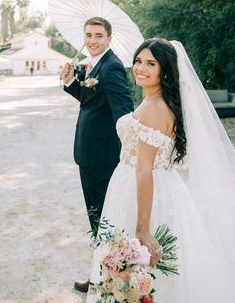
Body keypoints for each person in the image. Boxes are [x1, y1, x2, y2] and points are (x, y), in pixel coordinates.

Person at [86, 39, 235, 303]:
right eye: (138, 61)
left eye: (150, 63)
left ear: (164, 70)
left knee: (146, 270)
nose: (140, 68)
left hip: (145, 193)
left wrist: (143, 229)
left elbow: (144, 169)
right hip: (153, 187)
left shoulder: (155, 108)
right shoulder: (156, 101)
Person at [61, 17, 134, 293]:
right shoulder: (96, 64)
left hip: (103, 159)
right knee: (99, 219)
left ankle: (107, 279)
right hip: (89, 156)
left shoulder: (112, 66)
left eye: (98, 36)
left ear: (109, 39)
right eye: (88, 35)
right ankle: (101, 274)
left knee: (104, 220)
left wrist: (129, 153)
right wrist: (70, 83)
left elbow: (123, 112)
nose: (92, 40)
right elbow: (92, 102)